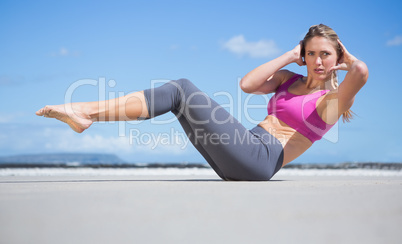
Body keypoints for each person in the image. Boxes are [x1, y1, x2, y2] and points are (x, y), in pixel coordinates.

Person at [36, 24, 368, 181]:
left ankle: (86, 112)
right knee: (178, 100)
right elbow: (247, 85)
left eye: (325, 54)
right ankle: (86, 113)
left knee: (181, 88)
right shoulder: (289, 80)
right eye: (311, 53)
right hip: (245, 150)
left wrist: (349, 59)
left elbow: (362, 73)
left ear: (337, 56)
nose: (317, 61)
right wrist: (288, 56)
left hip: (261, 159)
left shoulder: (330, 102)